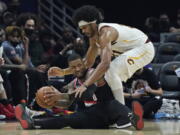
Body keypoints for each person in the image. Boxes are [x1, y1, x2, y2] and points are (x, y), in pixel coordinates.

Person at [48, 5, 155, 105]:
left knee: (110, 70)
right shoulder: (93, 38)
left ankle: (123, 112)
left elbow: (105, 64)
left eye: (84, 27)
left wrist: (85, 85)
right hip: (130, 51)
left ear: (93, 23)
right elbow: (88, 63)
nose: (82, 31)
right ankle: (118, 111)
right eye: (81, 29)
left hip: (144, 48)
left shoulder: (106, 33)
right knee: (107, 77)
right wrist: (64, 72)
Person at [15, 53, 144, 130]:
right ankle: (33, 123)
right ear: (69, 69)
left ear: (84, 64)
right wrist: (55, 100)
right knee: (66, 118)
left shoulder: (93, 73)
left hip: (107, 110)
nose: (77, 69)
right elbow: (67, 103)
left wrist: (63, 95)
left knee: (114, 104)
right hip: (90, 117)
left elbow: (88, 92)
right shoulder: (73, 83)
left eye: (79, 65)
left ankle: (133, 119)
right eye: (73, 67)